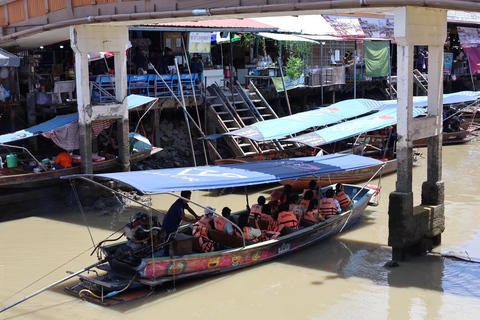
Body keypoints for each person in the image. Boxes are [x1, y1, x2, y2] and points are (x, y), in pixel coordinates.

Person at [162, 191, 200, 255]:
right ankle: (165, 254)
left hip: (174, 224)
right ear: (186, 197)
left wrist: (196, 216)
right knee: (167, 239)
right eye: (189, 197)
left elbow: (189, 209)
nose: (190, 199)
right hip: (170, 224)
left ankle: (170, 251)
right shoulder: (179, 205)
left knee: (170, 237)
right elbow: (183, 217)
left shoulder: (182, 202)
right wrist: (192, 221)